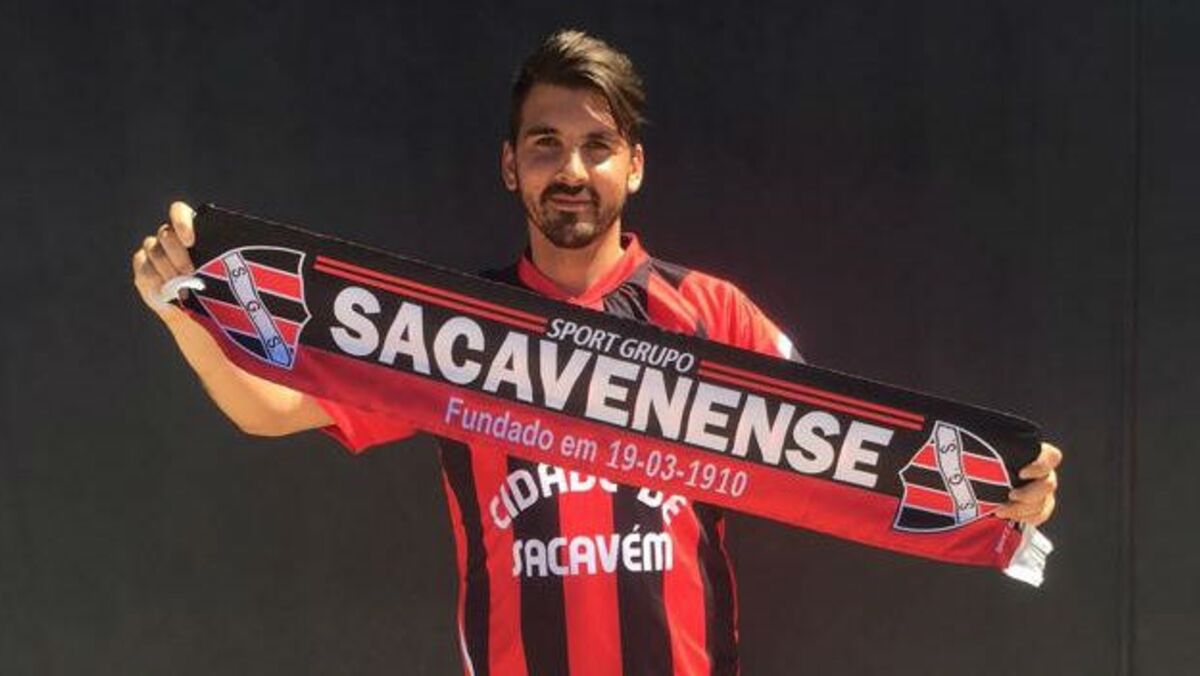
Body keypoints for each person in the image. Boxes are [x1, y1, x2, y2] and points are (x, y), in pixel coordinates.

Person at [131, 29, 1062, 676]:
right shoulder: (445, 329)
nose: (571, 169)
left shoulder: (711, 314)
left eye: (597, 146)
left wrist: (1000, 496)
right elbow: (273, 408)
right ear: (511, 166)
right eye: (546, 145)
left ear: (634, 165)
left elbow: (852, 457)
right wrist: (186, 312)